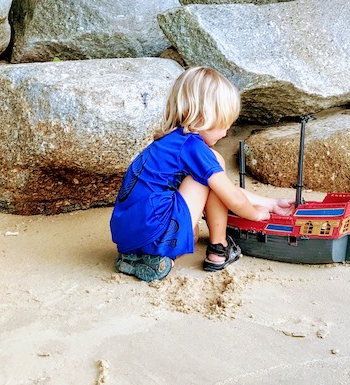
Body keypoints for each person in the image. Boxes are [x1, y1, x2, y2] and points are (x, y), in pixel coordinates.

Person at [110, 66, 295, 282]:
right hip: (157, 231)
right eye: (224, 123)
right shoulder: (194, 148)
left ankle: (138, 259)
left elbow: (224, 187)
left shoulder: (166, 142)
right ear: (202, 117)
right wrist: (255, 214)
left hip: (126, 235)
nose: (227, 132)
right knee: (214, 166)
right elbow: (230, 195)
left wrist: (270, 203)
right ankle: (219, 249)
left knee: (195, 230)